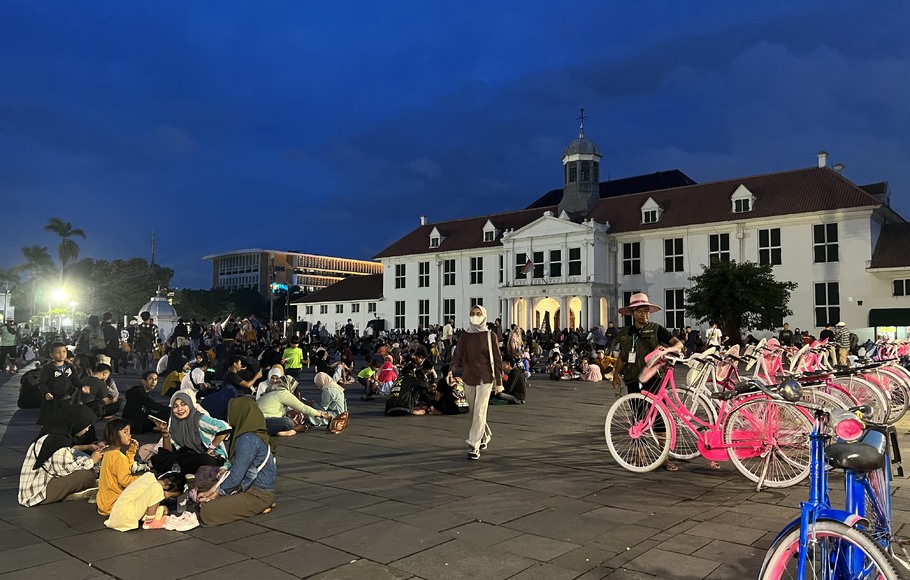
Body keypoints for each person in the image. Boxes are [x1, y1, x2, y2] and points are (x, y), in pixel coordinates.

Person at [611, 293, 683, 471]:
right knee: (638, 417)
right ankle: (639, 454)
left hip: (655, 379)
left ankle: (664, 457)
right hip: (633, 379)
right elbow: (623, 356)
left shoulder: (656, 329)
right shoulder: (625, 333)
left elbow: (679, 344)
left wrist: (667, 349)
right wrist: (615, 374)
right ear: (632, 313)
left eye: (646, 311)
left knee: (660, 418)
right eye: (640, 312)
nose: (645, 315)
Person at [197, 397, 277, 526]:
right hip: (253, 488)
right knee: (204, 488)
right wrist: (211, 491)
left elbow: (236, 476)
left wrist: (213, 495)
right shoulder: (255, 433)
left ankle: (261, 505)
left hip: (257, 494)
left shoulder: (247, 439)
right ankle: (262, 504)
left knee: (207, 511)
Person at [447, 305, 503, 460]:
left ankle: (474, 445)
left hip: (486, 378)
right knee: (474, 412)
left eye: (478, 314)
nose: (475, 316)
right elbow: (457, 356)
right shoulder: (465, 336)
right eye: (472, 313)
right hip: (468, 377)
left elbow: (497, 360)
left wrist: (499, 382)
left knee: (479, 411)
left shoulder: (490, 335)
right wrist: (451, 370)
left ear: (484, 316)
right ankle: (486, 435)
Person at [18, 406, 103, 506]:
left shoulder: (54, 434)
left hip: (36, 487)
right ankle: (71, 493)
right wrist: (92, 460)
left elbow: (67, 454)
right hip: (39, 492)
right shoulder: (58, 440)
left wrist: (87, 447)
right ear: (76, 423)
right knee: (86, 475)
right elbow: (64, 470)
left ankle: (68, 493)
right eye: (85, 426)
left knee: (85, 467)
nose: (87, 430)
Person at [150, 391, 231, 475]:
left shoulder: (199, 419)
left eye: (183, 404)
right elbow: (168, 451)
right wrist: (165, 434)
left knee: (202, 459)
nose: (179, 409)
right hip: (189, 455)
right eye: (175, 406)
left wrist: (211, 448)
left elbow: (224, 427)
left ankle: (176, 469)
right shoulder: (175, 423)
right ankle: (180, 469)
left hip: (209, 458)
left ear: (190, 405)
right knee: (159, 457)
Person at [105, 471, 188, 531]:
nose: (169, 499)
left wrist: (161, 508)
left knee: (157, 501)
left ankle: (151, 517)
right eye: (172, 496)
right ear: (167, 486)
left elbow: (144, 503)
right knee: (156, 488)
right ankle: (150, 521)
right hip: (127, 516)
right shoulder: (157, 487)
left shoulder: (148, 477)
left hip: (118, 517)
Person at [257, 369, 330, 436]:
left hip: (256, 421)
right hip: (264, 422)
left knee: (290, 420)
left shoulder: (272, 392)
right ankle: (285, 430)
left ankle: (280, 430)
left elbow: (274, 412)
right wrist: (322, 414)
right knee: (288, 422)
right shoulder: (282, 393)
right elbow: (303, 407)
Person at [96, 419, 140, 516]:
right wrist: (142, 479)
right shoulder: (119, 457)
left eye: (129, 432)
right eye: (125, 432)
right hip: (115, 504)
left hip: (104, 503)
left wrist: (131, 451)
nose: (130, 435)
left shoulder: (108, 453)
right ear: (115, 435)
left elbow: (124, 468)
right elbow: (125, 481)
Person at [37, 341, 83, 425]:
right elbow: (41, 383)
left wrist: (82, 387)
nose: (61, 354)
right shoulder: (47, 368)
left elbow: (75, 380)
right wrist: (46, 392)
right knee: (50, 421)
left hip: (66, 397)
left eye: (64, 351)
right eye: (58, 352)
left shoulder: (70, 366)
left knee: (66, 419)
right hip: (52, 399)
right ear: (51, 355)